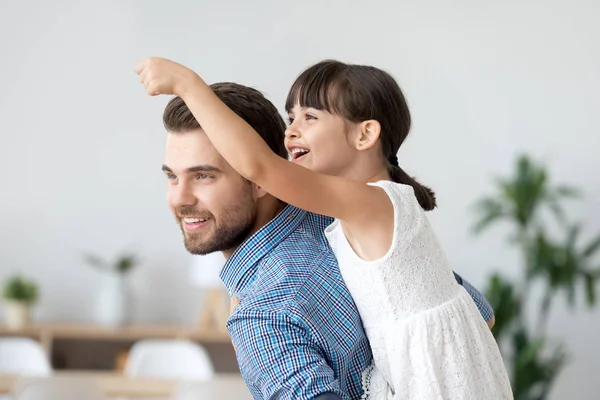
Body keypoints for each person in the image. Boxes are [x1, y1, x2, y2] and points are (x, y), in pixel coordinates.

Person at [139, 69, 499, 399]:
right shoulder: (339, 224)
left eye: (204, 176)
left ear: (261, 181)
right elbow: (479, 314)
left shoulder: (262, 316)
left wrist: (186, 82)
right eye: (172, 176)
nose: (178, 198)